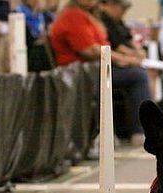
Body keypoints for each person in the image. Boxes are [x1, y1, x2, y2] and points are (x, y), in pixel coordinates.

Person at [49, 0, 151, 146]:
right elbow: (90, 50)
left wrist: (126, 58)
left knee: (137, 72)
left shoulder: (89, 16)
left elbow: (103, 47)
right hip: (82, 74)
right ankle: (139, 131)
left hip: (96, 69)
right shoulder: (72, 16)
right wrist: (124, 59)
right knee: (137, 75)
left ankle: (135, 130)